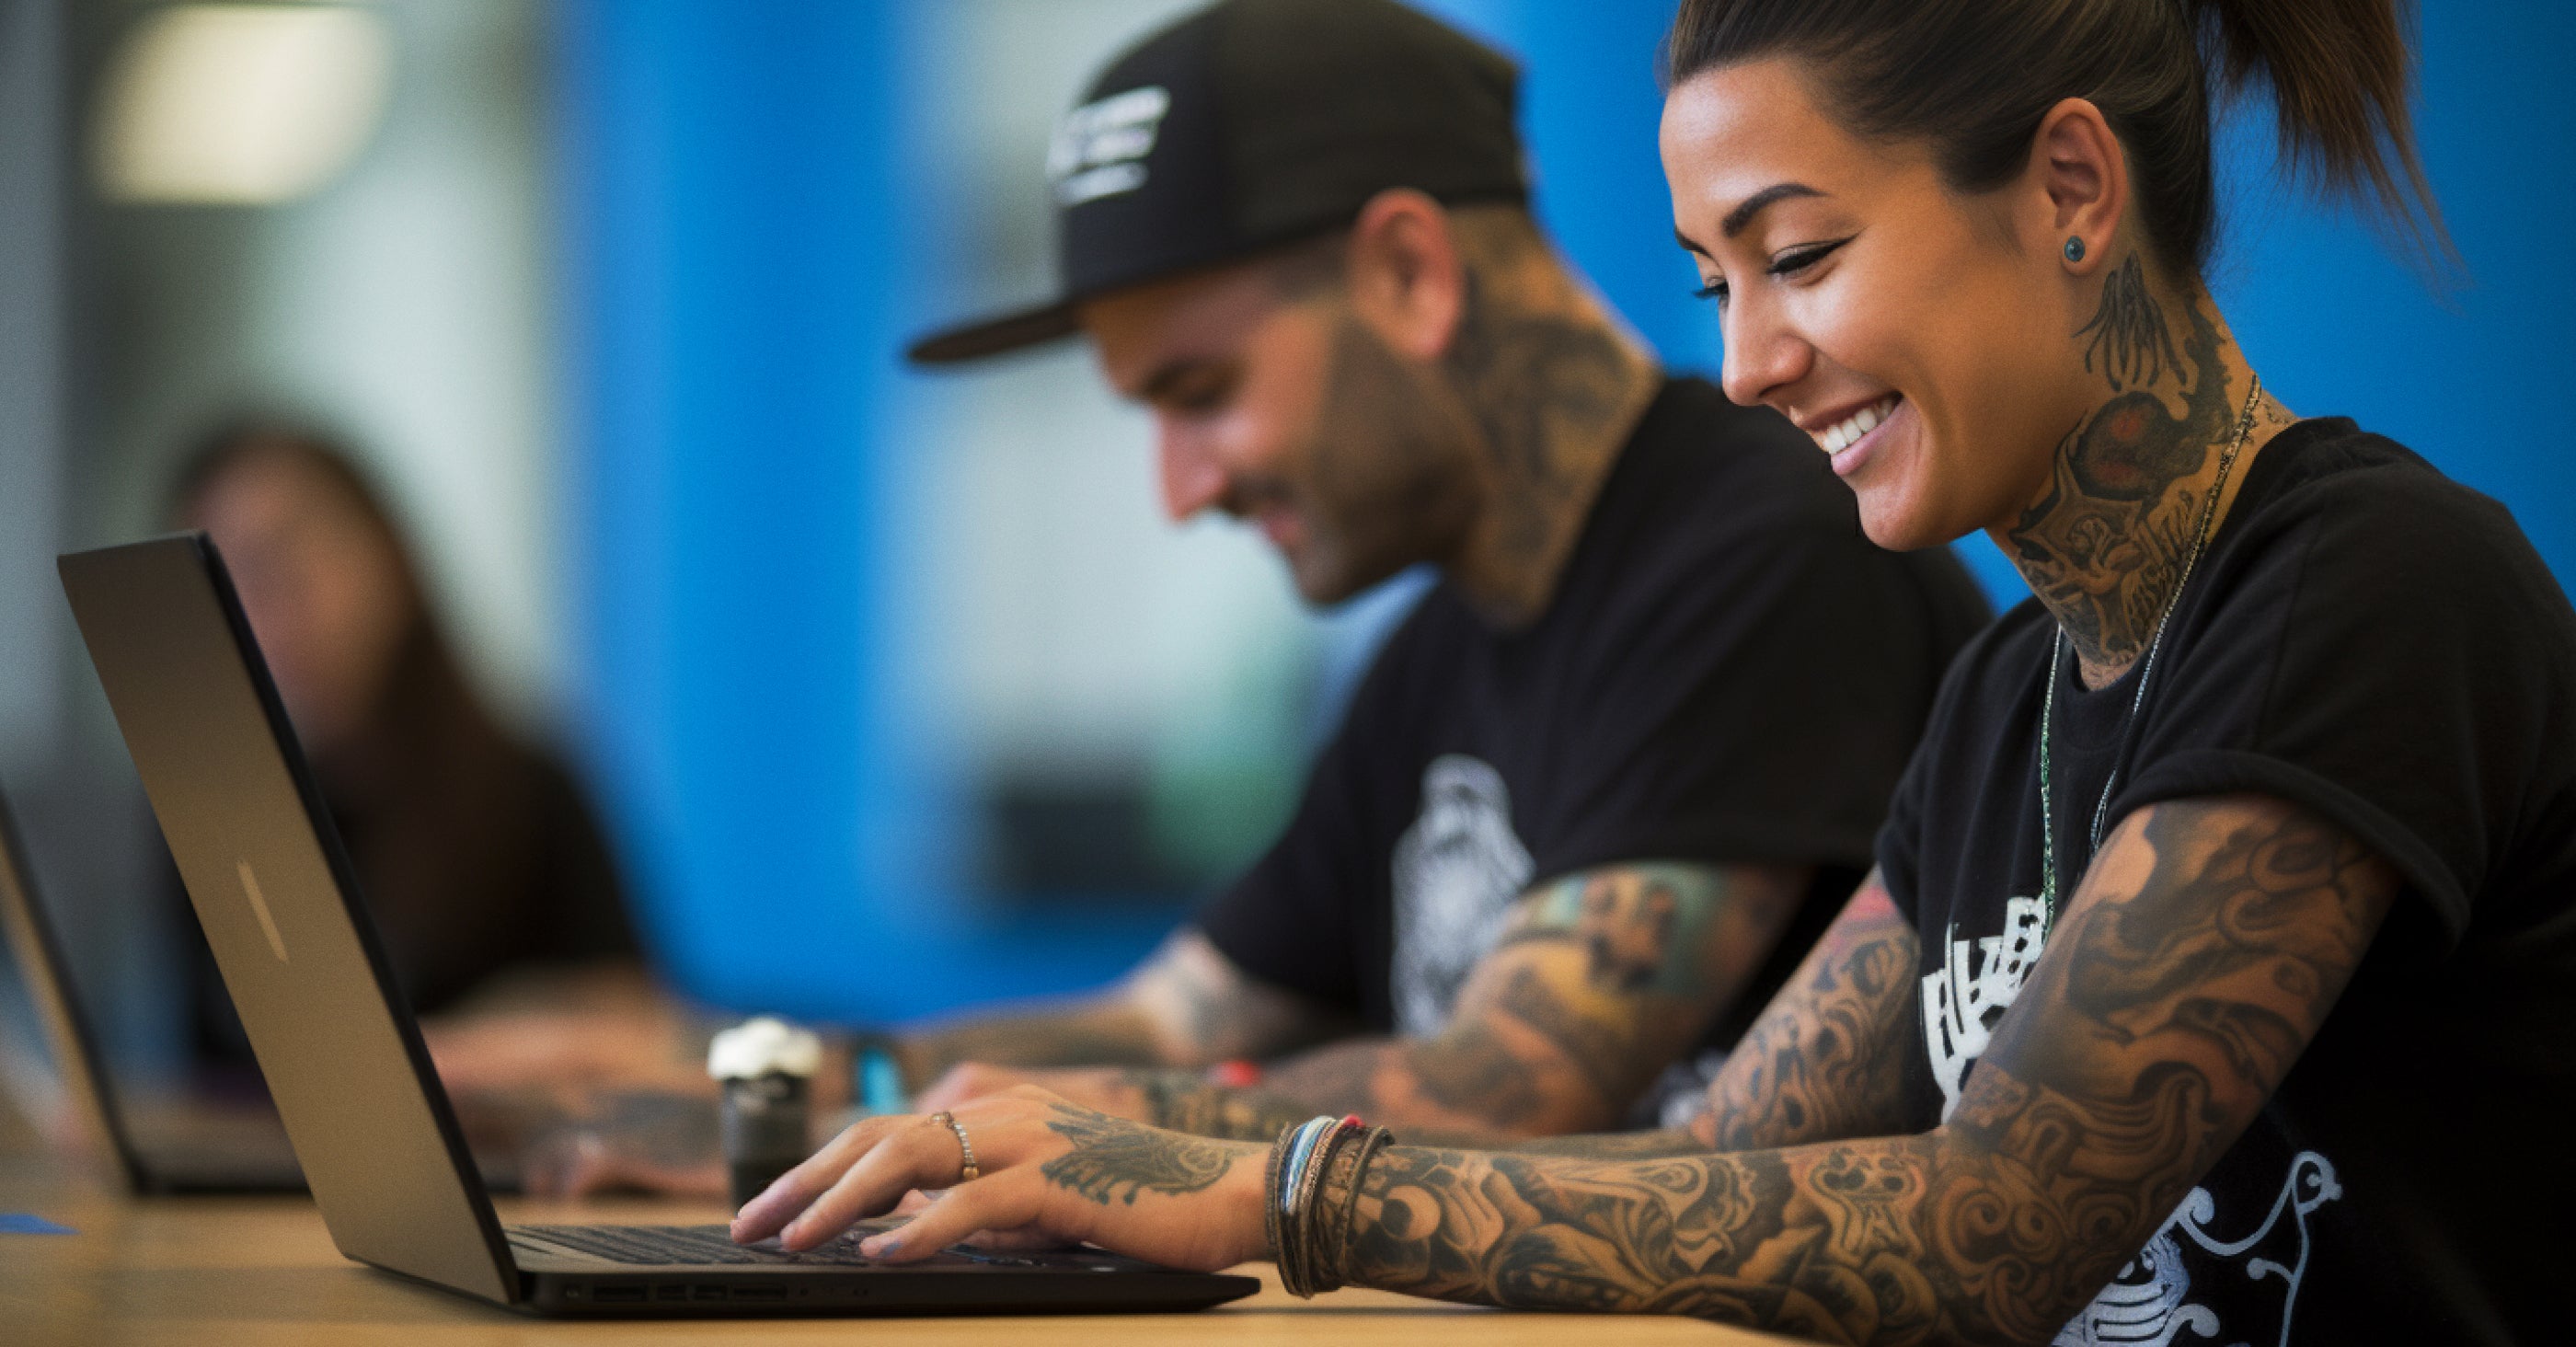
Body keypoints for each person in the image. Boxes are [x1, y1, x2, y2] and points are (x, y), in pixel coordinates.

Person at [731, 0, 2576, 1341]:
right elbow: (1718, 1151)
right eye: (1713, 284)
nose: (1746, 364)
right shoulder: (2003, 700)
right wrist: (1117, 1143)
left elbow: (1990, 1228)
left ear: (2070, 186)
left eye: (1798, 256)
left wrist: (1280, 1192)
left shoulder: (2364, 586)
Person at [860, 0, 1987, 1151]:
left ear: (1409, 272)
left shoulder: (1768, 555)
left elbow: (1516, 1083)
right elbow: (1168, 1022)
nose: (1180, 491)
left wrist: (1097, 1124)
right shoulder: (1432, 658)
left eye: (1200, 394)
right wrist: (790, 1087)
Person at [171, 423, 684, 1100]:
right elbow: (201, 1067)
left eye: (284, 558)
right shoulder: (209, 813)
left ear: (387, 554)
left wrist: (474, 1050)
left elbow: (639, 1025)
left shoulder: (527, 789)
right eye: (227, 580)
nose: (267, 607)